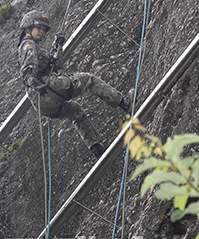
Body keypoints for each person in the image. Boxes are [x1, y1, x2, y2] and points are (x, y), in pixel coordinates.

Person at [18, 10, 134, 158]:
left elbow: (56, 66)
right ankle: (124, 103)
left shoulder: (31, 46)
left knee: (75, 111)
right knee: (88, 79)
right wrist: (32, 81)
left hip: (41, 105)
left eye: (44, 29)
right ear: (28, 28)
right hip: (48, 88)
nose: (42, 32)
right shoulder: (28, 44)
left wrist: (57, 47)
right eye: (38, 28)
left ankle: (96, 147)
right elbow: (28, 69)